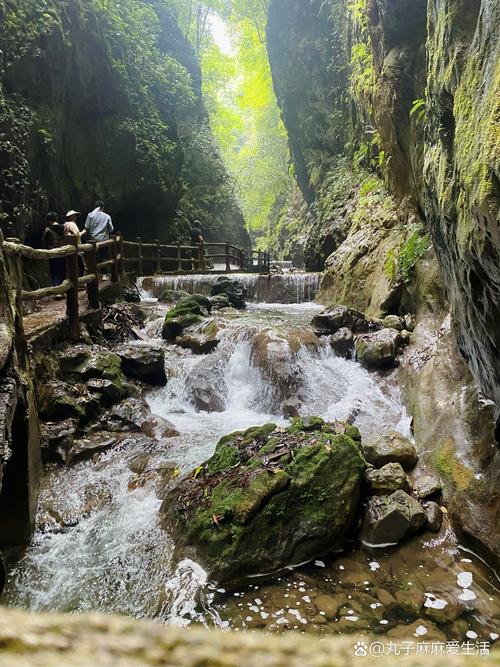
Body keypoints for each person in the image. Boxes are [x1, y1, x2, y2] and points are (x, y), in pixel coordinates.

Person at [85, 201, 114, 276]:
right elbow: (111, 229)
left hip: (92, 241)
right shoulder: (107, 216)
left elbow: (87, 227)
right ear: (103, 207)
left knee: (93, 258)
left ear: (95, 207)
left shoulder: (90, 215)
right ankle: (104, 275)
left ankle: (94, 274)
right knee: (104, 257)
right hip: (103, 240)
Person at [42, 212, 66, 286]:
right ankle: (63, 288)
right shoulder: (64, 227)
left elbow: (43, 242)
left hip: (53, 253)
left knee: (55, 271)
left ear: (48, 220)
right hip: (63, 252)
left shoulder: (47, 230)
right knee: (63, 270)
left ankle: (57, 289)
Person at [65, 210, 86, 276]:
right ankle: (81, 281)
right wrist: (83, 232)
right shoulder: (72, 224)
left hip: (68, 246)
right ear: (70, 217)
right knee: (81, 265)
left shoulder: (65, 224)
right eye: (74, 216)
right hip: (76, 246)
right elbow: (77, 234)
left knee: (72, 265)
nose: (75, 217)